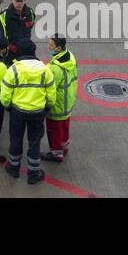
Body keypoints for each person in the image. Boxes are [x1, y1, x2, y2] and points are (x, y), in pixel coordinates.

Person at [0, 43, 57, 185]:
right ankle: (33, 172)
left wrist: (8, 106)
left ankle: (13, 167)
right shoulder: (45, 70)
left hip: (18, 111)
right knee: (35, 141)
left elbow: (5, 94)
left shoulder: (13, 70)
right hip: (37, 112)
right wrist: (47, 108)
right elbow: (51, 94)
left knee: (16, 139)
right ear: (34, 52)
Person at [44, 35, 78, 163]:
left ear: (58, 48)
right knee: (65, 125)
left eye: (51, 45)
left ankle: (56, 153)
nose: (49, 47)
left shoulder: (55, 69)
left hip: (58, 103)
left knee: (54, 129)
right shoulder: (70, 57)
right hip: (68, 100)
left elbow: (50, 87)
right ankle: (64, 147)